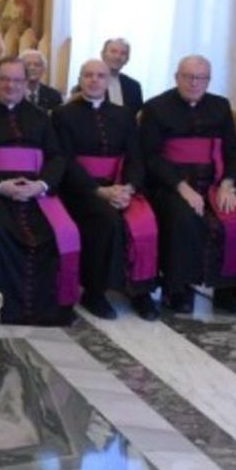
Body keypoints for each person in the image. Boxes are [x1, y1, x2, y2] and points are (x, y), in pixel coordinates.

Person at [0, 58, 81, 325]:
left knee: (59, 232)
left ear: (26, 83)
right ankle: (7, 307)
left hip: (37, 193)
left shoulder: (40, 116)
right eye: (4, 79)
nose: (10, 85)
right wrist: (0, 186)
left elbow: (57, 157)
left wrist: (42, 185)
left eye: (17, 80)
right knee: (3, 232)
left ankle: (48, 307)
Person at [140, 55, 236, 314]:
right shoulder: (155, 107)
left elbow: (233, 152)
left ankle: (228, 291)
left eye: (201, 78)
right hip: (171, 184)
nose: (194, 83)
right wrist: (182, 188)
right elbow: (151, 157)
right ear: (177, 78)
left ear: (208, 80)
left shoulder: (220, 106)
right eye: (188, 77)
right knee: (184, 217)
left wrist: (228, 184)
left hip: (214, 182)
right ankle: (179, 289)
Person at [53, 59, 160, 321]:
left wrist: (129, 188)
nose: (94, 80)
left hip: (120, 186)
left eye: (100, 76)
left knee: (146, 220)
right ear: (80, 79)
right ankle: (95, 292)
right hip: (81, 191)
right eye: (88, 75)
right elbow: (65, 160)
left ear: (108, 81)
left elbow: (135, 157)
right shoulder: (63, 115)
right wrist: (98, 191)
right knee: (107, 219)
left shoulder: (124, 115)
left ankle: (141, 291)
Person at [101, 38, 144, 114]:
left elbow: (137, 116)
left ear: (127, 59)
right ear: (103, 55)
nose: (117, 57)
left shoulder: (134, 86)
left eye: (123, 53)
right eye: (113, 51)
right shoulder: (89, 81)